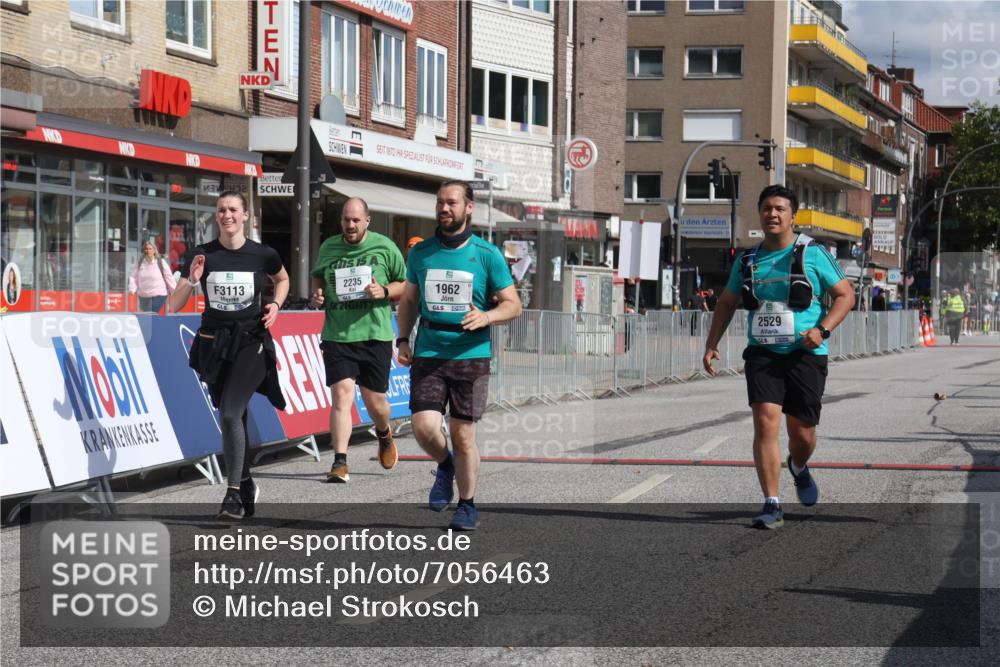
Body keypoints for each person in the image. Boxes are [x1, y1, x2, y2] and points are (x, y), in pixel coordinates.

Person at [702, 185, 855, 529]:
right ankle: (772, 502)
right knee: (765, 422)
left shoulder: (813, 253)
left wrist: (823, 330)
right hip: (763, 352)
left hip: (806, 352)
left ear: (793, 215)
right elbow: (727, 301)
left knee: (802, 432)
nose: (772, 214)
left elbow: (845, 295)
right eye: (767, 208)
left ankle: (798, 466)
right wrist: (712, 343)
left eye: (780, 209)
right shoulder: (747, 259)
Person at [395, 180, 523, 531]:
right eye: (439, 203)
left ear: (469, 208)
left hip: (472, 352)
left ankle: (466, 505)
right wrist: (402, 339)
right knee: (423, 428)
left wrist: (487, 315)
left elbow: (514, 305)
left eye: (451, 203)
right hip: (430, 350)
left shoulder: (486, 254)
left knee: (463, 434)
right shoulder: (421, 252)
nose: (443, 208)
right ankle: (445, 464)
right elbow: (409, 300)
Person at [170, 191, 289, 520]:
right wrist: (192, 282)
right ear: (216, 216)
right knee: (233, 415)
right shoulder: (202, 255)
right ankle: (246, 482)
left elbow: (283, 278)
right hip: (213, 345)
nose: (227, 215)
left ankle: (233, 494)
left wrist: (276, 305)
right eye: (222, 210)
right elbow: (173, 305)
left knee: (230, 412)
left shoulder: (262, 254)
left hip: (251, 343)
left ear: (246, 215)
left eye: (233, 210)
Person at [309, 198, 407, 482]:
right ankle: (340, 461)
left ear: (367, 221)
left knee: (376, 403)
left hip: (374, 334)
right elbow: (317, 278)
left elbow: (404, 284)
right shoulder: (329, 247)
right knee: (341, 396)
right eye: (345, 220)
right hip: (338, 334)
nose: (349, 226)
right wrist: (317, 295)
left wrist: (385, 291)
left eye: (355, 220)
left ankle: (384, 433)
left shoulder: (385, 247)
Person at [129, 241, 176, 313]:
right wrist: (132, 289)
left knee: (151, 313)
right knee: (146, 316)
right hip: (143, 295)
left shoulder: (161, 262)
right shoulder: (140, 262)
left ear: (154, 250)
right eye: (146, 249)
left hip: (159, 294)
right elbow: (133, 277)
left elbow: (169, 277)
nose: (148, 251)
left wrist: (175, 292)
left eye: (150, 249)